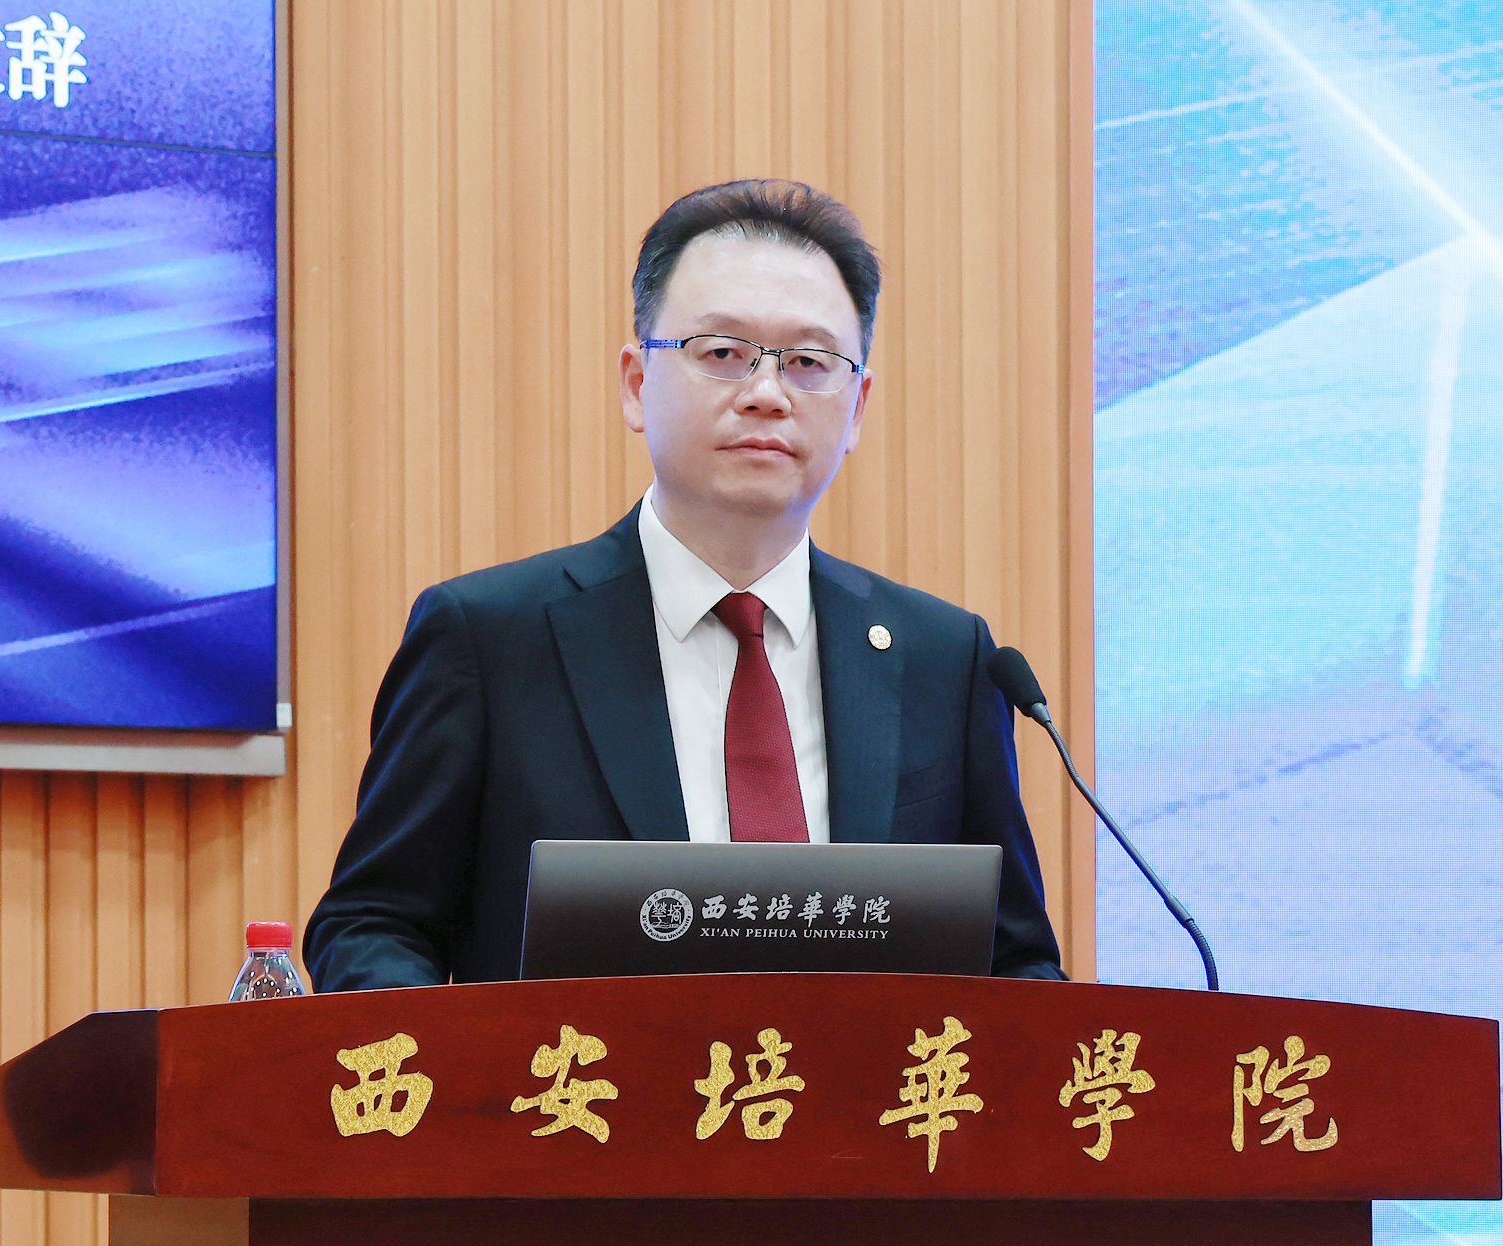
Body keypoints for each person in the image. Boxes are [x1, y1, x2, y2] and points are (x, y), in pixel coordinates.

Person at [303, 180, 1065, 989]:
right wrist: (467, 1064)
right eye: (723, 354)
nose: (766, 394)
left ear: (858, 407)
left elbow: (1016, 963)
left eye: (809, 363)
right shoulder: (490, 638)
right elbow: (373, 924)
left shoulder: (946, 659)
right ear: (637, 384)